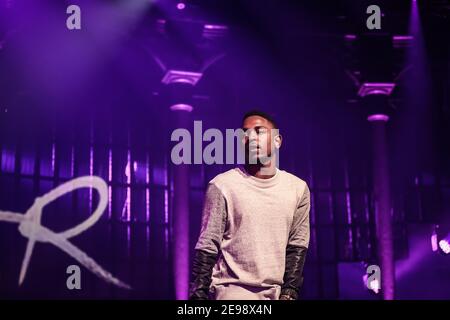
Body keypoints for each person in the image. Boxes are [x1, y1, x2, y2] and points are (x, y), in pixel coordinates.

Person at [189, 110, 310, 300]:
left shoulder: (297, 188)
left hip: (276, 294)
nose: (251, 138)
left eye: (259, 131)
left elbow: (297, 245)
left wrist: (289, 292)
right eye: (245, 134)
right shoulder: (223, 185)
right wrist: (198, 297)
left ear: (277, 141)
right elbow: (207, 245)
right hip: (232, 292)